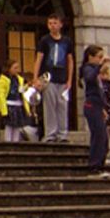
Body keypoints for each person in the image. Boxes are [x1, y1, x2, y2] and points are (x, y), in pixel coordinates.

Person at [33, 14, 75, 143]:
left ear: (60, 24)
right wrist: (36, 78)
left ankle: (62, 134)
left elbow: (70, 60)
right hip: (48, 77)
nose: (52, 26)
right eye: (50, 23)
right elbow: (39, 58)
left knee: (62, 105)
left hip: (62, 78)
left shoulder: (67, 41)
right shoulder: (45, 40)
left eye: (55, 23)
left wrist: (69, 79)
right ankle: (50, 133)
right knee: (49, 106)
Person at [80, 45, 110, 178]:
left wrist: (104, 107)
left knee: (103, 137)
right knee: (98, 135)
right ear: (90, 57)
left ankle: (101, 163)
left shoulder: (95, 71)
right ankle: (94, 165)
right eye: (98, 57)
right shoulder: (88, 68)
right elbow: (89, 78)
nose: (100, 60)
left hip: (98, 106)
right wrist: (100, 66)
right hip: (91, 105)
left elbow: (100, 91)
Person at [0, 59, 29, 142]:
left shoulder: (19, 79)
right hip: (9, 105)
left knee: (17, 126)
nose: (17, 70)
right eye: (15, 68)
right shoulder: (3, 80)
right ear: (9, 69)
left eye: (18, 68)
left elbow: (22, 92)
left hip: (18, 105)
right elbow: (1, 95)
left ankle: (16, 141)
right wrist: (3, 110)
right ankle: (8, 142)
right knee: (9, 126)